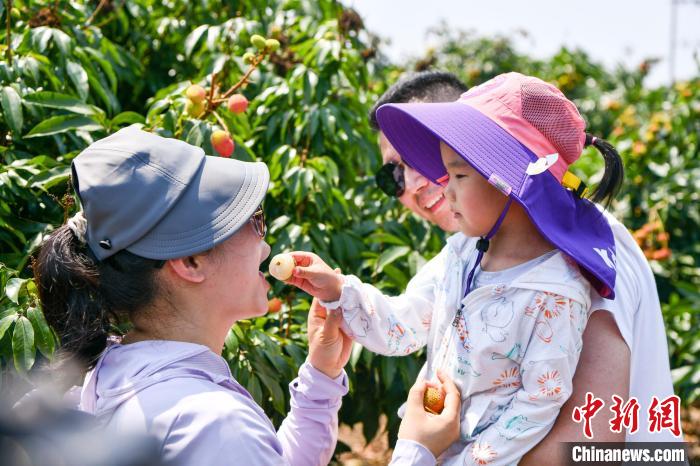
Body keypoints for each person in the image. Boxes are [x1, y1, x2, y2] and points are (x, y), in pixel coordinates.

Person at [284, 71, 680, 464]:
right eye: (394, 175)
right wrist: (340, 291)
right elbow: (403, 322)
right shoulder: (465, 252)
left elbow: (589, 435)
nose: (427, 184)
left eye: (456, 171)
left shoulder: (579, 256)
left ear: (504, 176)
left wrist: (460, 458)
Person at [31, 126, 461, 466]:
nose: (267, 245)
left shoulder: (103, 378)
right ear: (192, 261)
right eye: (254, 222)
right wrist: (415, 449)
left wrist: (321, 377)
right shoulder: (212, 423)